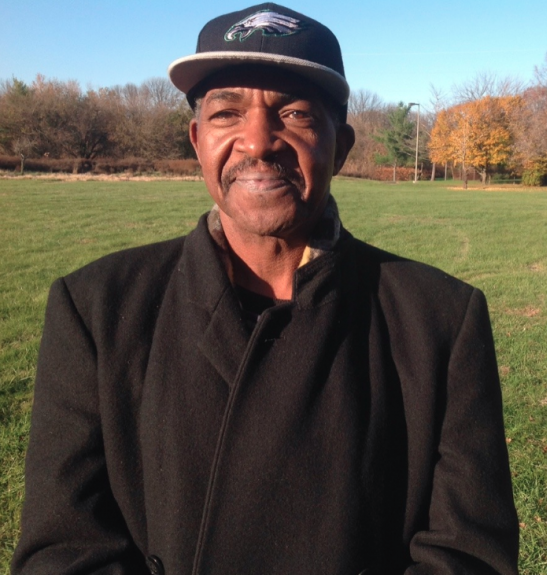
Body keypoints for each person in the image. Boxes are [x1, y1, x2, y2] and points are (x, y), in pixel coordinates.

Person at [11, 4, 519, 574]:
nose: (258, 141)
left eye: (295, 113)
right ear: (198, 139)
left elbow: (467, 556)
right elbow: (65, 550)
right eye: (227, 112)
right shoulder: (97, 310)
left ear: (342, 145)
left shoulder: (441, 321)